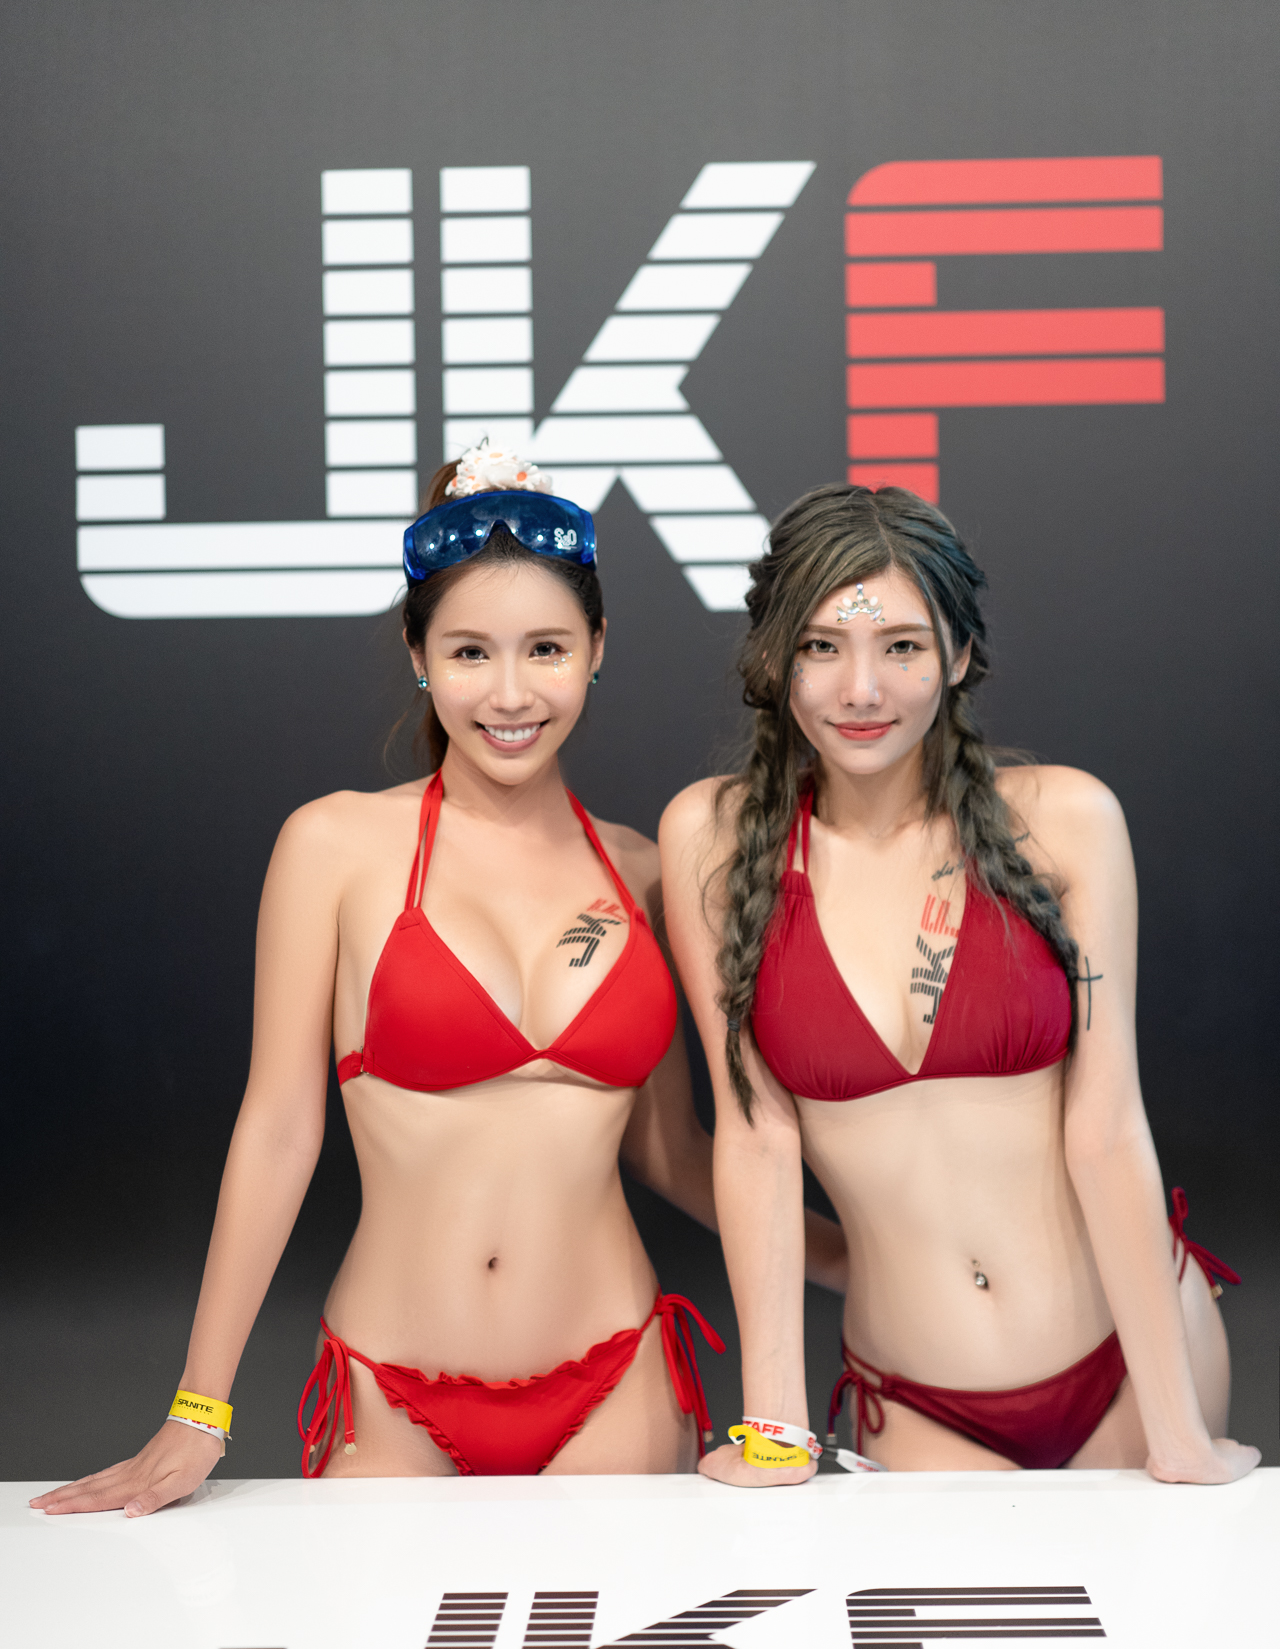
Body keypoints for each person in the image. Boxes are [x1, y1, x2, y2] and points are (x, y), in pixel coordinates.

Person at [33, 444, 844, 1517]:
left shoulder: (647, 870)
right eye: (469, 652)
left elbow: (672, 1150)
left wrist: (866, 1263)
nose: (510, 693)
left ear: (597, 647)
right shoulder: (332, 848)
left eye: (546, 649)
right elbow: (278, 1131)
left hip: (618, 1381)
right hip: (391, 1391)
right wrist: (198, 1410)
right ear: (419, 654)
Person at [661, 483, 1259, 1488]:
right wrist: (774, 1429)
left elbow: (1107, 1126)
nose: (861, 689)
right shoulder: (711, 842)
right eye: (821, 647)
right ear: (774, 660)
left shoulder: (1064, 821)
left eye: (901, 646)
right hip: (916, 1395)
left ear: (959, 654)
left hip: (1128, 1361)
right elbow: (756, 1140)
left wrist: (1176, 1431)